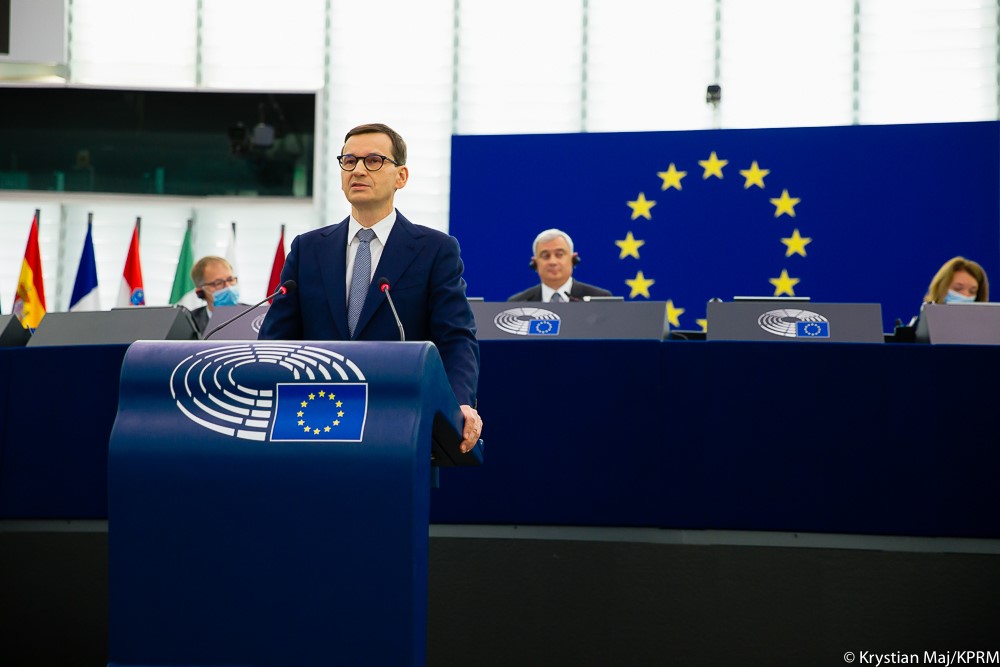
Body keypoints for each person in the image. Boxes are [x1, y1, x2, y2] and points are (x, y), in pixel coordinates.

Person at [258, 123, 483, 453]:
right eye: (349, 161)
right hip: (312, 420)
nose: (358, 170)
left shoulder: (434, 249)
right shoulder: (308, 249)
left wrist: (459, 403)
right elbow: (276, 339)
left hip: (398, 420)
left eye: (374, 161)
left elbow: (456, 338)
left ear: (401, 176)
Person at [507, 228, 613, 302]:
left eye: (559, 255)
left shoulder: (600, 298)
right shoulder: (518, 303)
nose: (553, 262)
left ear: (573, 259)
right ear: (534, 262)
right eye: (545, 256)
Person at [190, 255, 242, 335]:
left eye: (230, 280)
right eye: (218, 283)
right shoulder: (190, 322)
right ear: (200, 291)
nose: (228, 286)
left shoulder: (254, 314)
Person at [923, 256, 989, 304]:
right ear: (941, 288)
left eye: (972, 291)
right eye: (958, 288)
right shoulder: (924, 318)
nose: (965, 296)